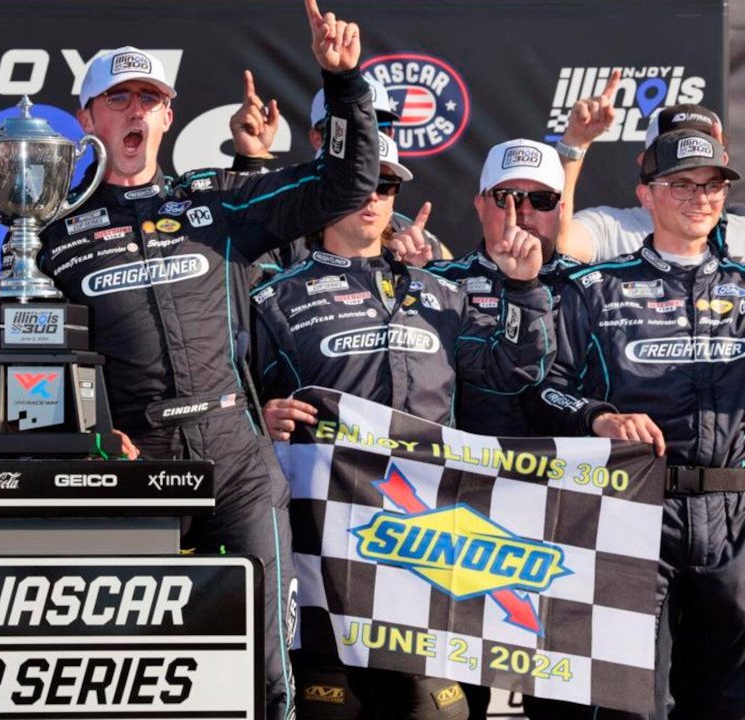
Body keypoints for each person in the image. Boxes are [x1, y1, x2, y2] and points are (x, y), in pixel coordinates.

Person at [37, 4, 378, 718]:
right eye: (119, 99)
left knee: (268, 665)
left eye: (150, 99)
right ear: (87, 118)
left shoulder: (216, 203)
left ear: (168, 116)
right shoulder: (50, 236)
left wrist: (344, 83)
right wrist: (90, 435)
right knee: (133, 674)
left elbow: (343, 186)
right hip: (132, 462)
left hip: (235, 454)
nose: (136, 112)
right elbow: (34, 362)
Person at [252, 134, 553, 720]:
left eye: (386, 185)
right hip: (324, 554)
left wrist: (523, 289)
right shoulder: (274, 297)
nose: (373, 196)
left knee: (436, 711)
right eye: (361, 181)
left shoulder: (442, 294)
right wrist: (262, 416)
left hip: (427, 547)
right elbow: (234, 401)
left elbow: (513, 372)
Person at [528, 129, 744, 720]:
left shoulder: (743, 287)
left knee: (730, 703)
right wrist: (599, 417)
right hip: (634, 514)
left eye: (712, 186)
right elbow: (542, 389)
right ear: (646, 195)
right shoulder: (596, 288)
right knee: (632, 704)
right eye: (682, 185)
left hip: (734, 518)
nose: (700, 198)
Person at [227, 70, 447, 279]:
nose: (367, 138)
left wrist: (415, 278)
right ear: (317, 138)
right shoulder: (283, 218)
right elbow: (232, 265)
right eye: (351, 127)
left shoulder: (409, 232)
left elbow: (451, 284)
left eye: (378, 127)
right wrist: (248, 162)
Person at [426, 139, 577, 439]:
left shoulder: (591, 286)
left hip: (571, 465)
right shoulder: (437, 281)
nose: (524, 211)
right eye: (508, 197)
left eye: (542, 199)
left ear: (561, 210)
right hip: (464, 462)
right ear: (480, 206)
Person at [553, 73, 744, 262]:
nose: (700, 198)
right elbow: (560, 246)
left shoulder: (740, 234)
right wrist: (574, 144)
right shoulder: (611, 229)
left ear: (723, 161)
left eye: (708, 151)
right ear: (645, 162)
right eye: (682, 184)